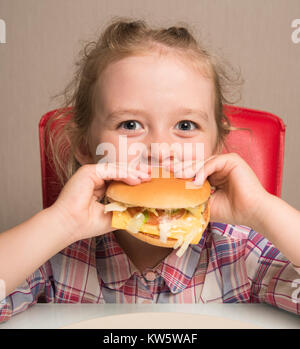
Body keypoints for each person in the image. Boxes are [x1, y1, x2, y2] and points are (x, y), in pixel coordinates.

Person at [0, 17, 299, 323]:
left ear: (215, 147)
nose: (159, 149)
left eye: (185, 125)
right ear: (86, 147)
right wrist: (60, 223)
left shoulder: (239, 252)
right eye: (129, 124)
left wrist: (261, 209)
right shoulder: (56, 254)